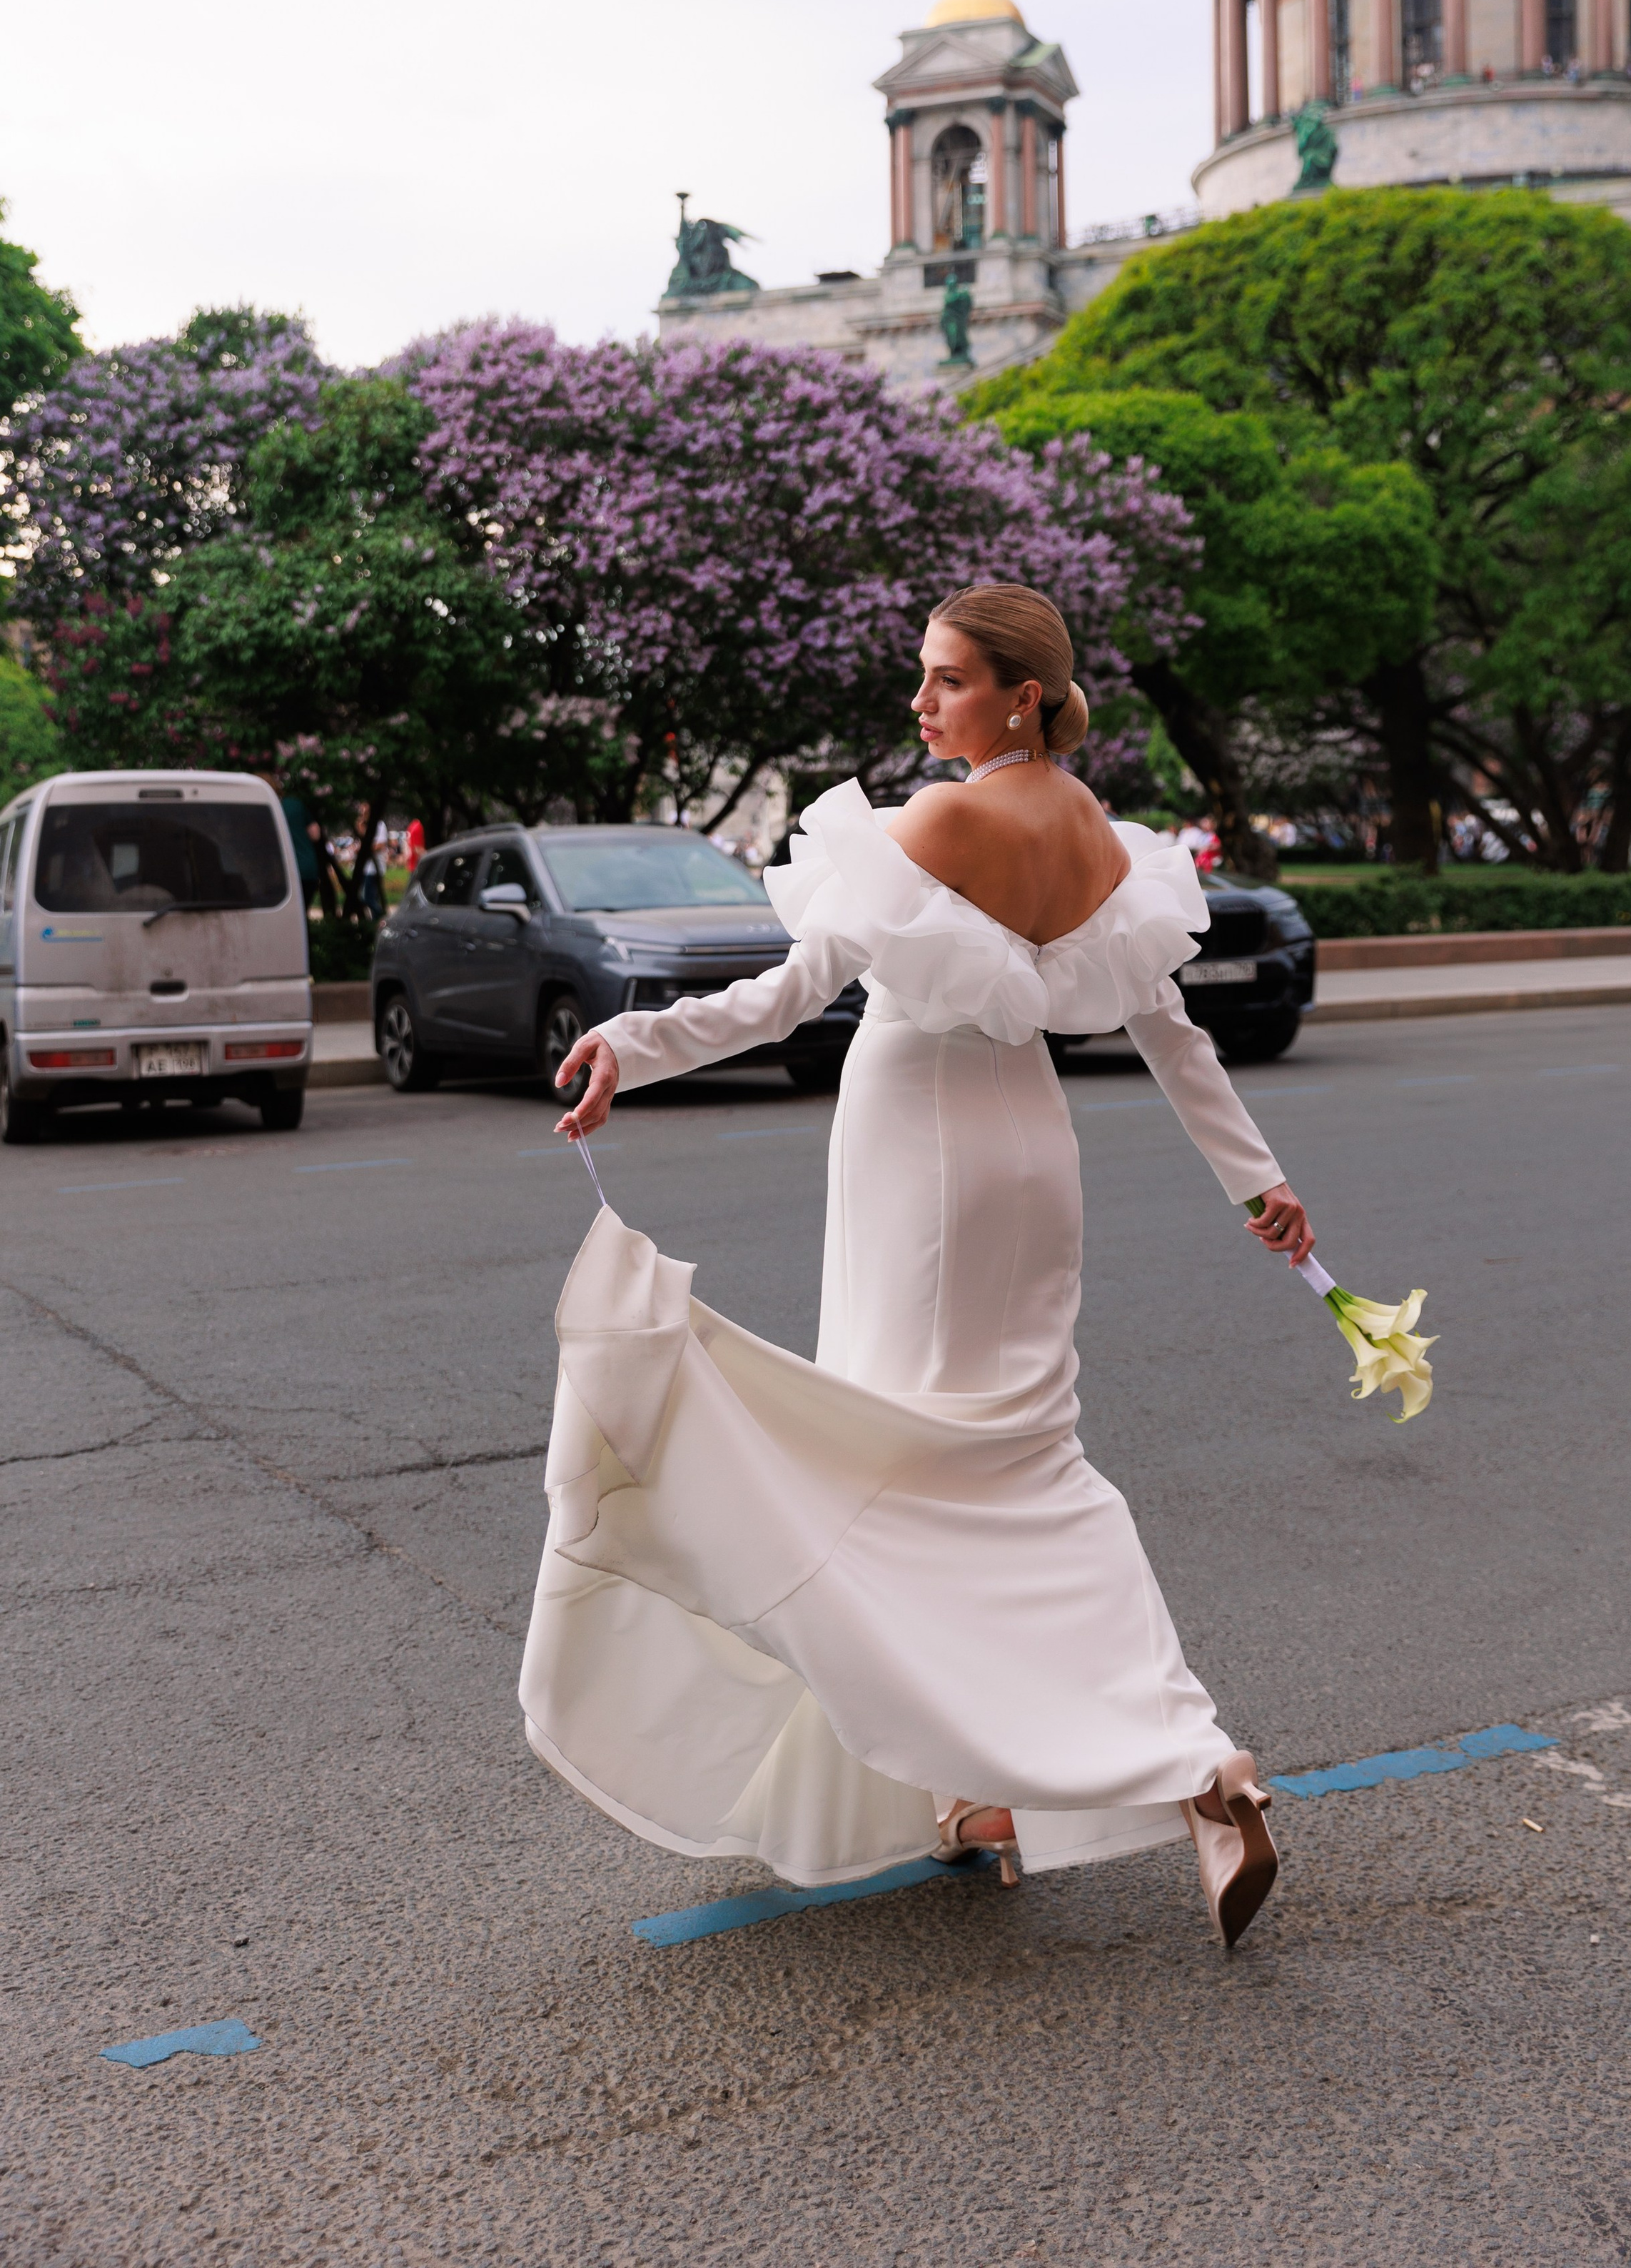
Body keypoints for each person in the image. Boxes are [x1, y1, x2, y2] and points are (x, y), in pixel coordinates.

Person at [522, 584, 1316, 1951]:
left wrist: (630, 1048)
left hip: (916, 1154)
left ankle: (999, 1780)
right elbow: (1172, 1033)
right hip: (1032, 1153)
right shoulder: (1099, 831)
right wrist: (1261, 1182)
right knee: (1032, 1459)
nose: (920, 701)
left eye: (947, 680)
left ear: (1021, 694)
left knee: (895, 1469)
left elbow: (785, 998)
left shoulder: (938, 822)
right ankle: (1164, 1772)